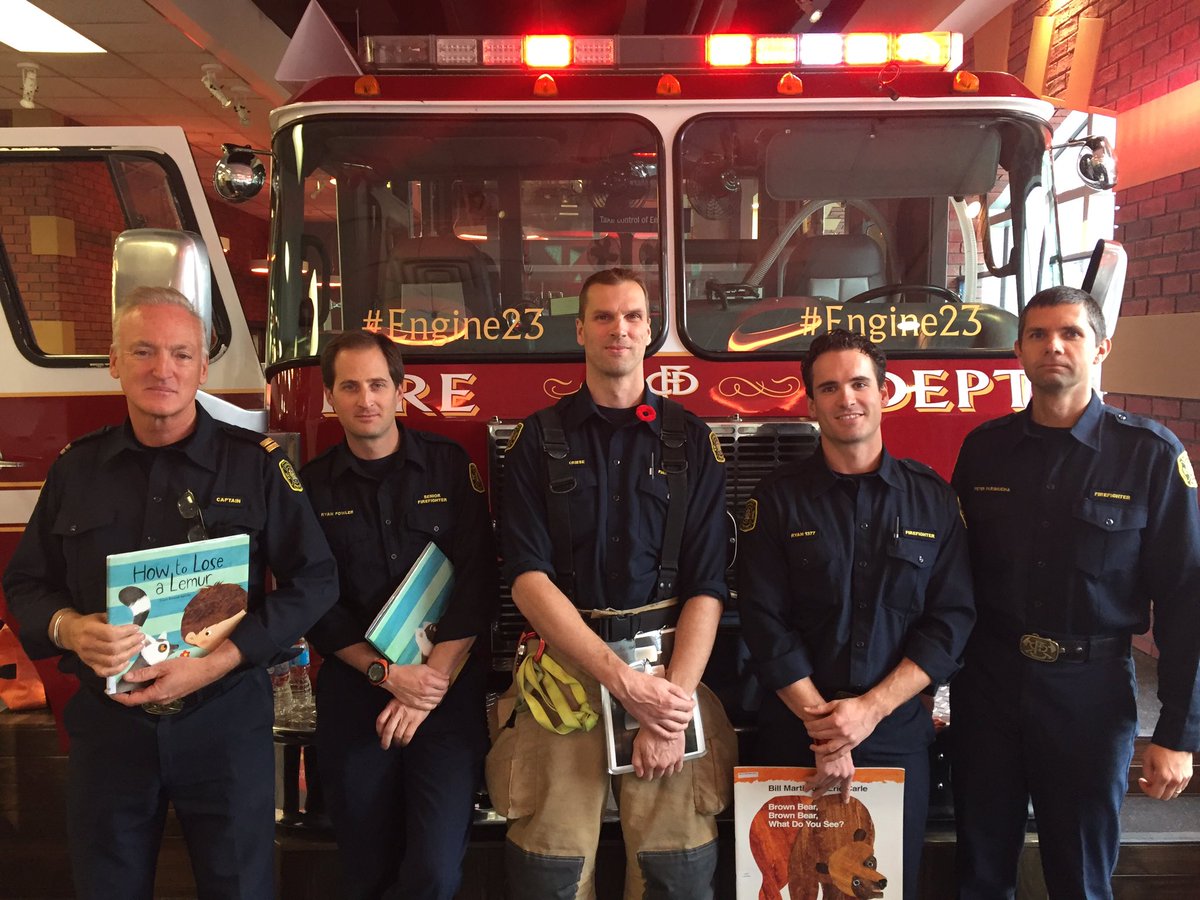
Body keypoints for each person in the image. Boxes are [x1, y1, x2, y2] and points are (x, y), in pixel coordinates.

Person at [3, 286, 338, 900]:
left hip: (225, 724)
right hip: (110, 731)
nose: (164, 369)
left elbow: (316, 579)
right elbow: (26, 583)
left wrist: (221, 661)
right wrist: (68, 628)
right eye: (144, 351)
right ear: (113, 361)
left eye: (181, 354)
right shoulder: (77, 468)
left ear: (203, 368)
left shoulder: (258, 464)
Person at [488, 267, 736, 899]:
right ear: (580, 330)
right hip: (563, 678)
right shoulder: (535, 443)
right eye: (602, 316)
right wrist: (623, 684)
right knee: (548, 872)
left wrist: (668, 711)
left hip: (669, 674)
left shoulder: (693, 441)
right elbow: (526, 579)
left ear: (650, 330)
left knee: (675, 872)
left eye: (631, 316)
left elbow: (708, 584)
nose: (618, 329)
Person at [951, 285, 1199, 898]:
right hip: (989, 687)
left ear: (1101, 348)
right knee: (980, 870)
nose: (1053, 346)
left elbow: (1186, 600)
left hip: (1089, 693)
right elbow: (951, 579)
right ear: (1018, 352)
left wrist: (1178, 733)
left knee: (1081, 877)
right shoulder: (984, 450)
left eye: (1070, 334)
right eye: (1037, 335)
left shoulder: (1149, 455)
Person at [737, 328, 975, 900]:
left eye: (860, 383)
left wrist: (868, 712)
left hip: (894, 732)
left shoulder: (932, 498)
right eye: (830, 387)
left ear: (883, 391)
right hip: (796, 733)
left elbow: (951, 620)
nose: (847, 398)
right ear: (811, 401)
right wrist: (829, 734)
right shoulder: (774, 499)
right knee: (788, 887)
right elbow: (763, 621)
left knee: (883, 888)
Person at [301, 330, 497, 900]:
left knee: (435, 872)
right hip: (357, 694)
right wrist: (389, 677)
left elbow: (478, 580)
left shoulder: (449, 467)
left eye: (379, 384)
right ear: (331, 397)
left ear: (400, 390)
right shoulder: (309, 488)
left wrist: (427, 685)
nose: (367, 399)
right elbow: (316, 602)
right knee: (366, 869)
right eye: (351, 386)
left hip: (446, 690)